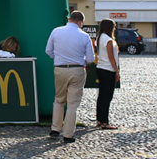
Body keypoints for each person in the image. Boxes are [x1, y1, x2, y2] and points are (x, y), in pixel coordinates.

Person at [45, 10, 95, 143]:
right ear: (80, 21)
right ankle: (68, 135)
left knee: (59, 100)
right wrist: (82, 60)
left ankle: (55, 129)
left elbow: (48, 50)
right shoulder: (84, 36)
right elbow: (90, 58)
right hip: (77, 69)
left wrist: (58, 58)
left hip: (60, 68)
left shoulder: (56, 31)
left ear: (70, 19)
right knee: (72, 104)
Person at [95, 18, 120, 130]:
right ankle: (105, 122)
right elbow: (111, 57)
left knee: (101, 96)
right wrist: (116, 71)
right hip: (108, 70)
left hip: (100, 68)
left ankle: (99, 120)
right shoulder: (108, 40)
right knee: (107, 97)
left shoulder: (100, 38)